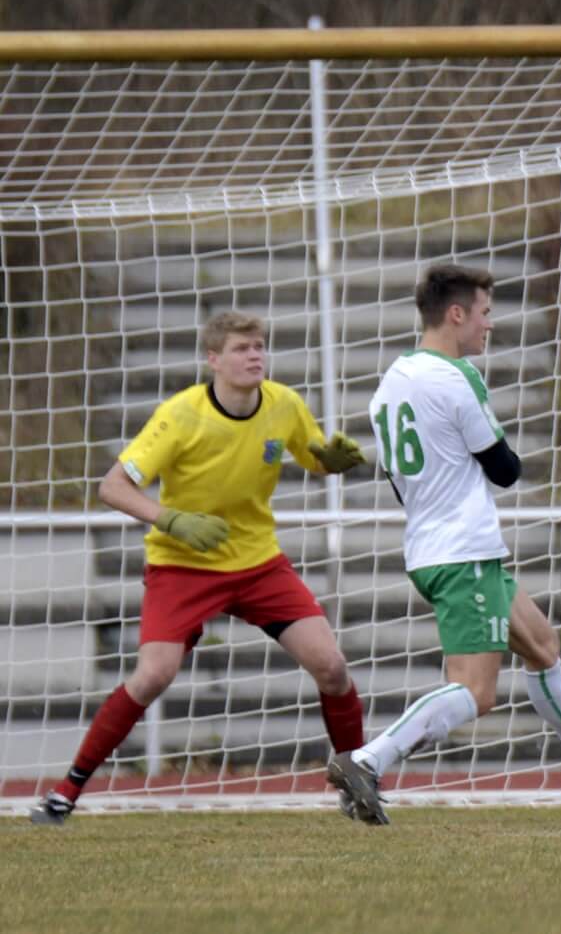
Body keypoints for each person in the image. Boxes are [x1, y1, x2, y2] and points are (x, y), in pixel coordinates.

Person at [327, 264, 561, 824]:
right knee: (475, 692)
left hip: (436, 545)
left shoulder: (388, 385)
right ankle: (366, 759)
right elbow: (504, 470)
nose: (489, 326)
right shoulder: (457, 377)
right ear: (455, 314)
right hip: (463, 552)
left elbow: (398, 480)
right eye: (484, 313)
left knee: (542, 647)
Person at [30, 311, 370, 825]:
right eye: (241, 348)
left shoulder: (284, 404)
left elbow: (313, 454)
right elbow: (112, 486)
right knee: (152, 676)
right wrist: (172, 521)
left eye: (259, 346)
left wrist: (330, 460)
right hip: (184, 567)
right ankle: (64, 793)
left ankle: (357, 780)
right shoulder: (181, 415)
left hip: (258, 563)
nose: (255, 355)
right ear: (213, 360)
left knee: (332, 666)